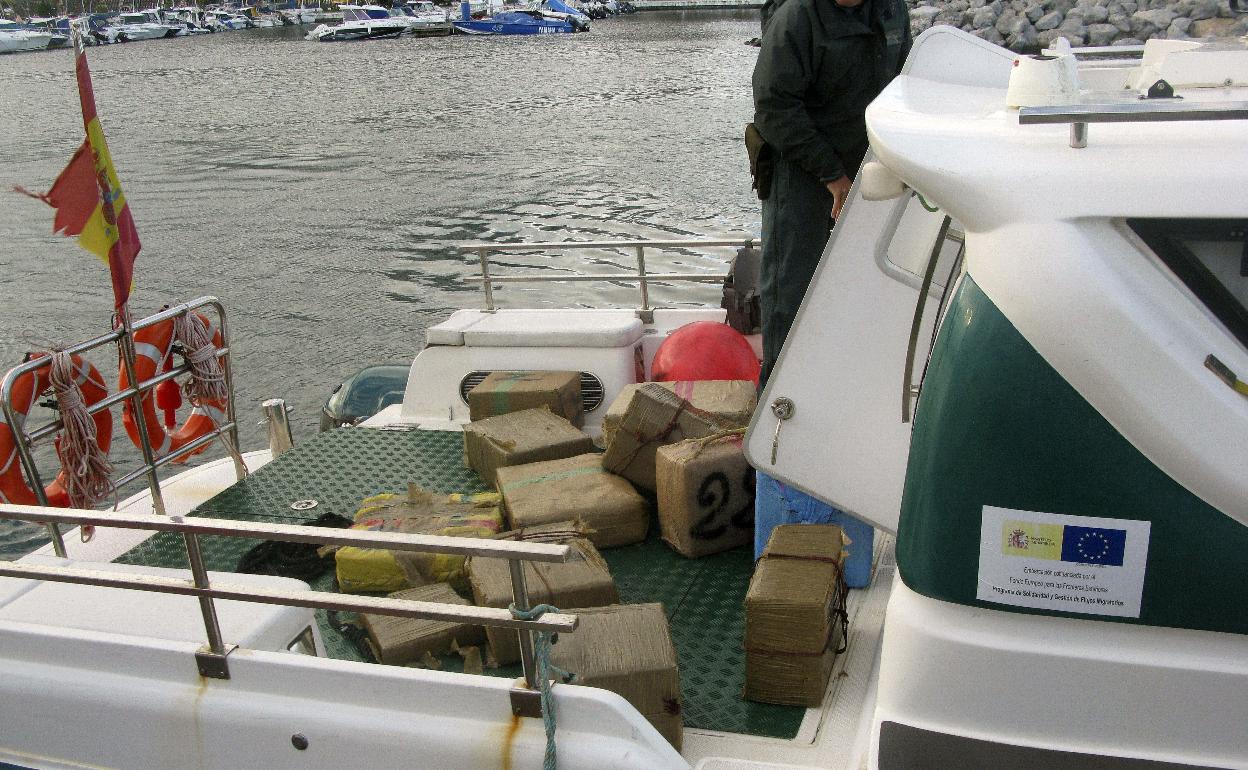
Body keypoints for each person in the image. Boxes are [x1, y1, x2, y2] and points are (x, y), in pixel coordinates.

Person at [751, 0, 911, 385]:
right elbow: (773, 107)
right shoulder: (797, 18)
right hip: (801, 174)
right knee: (791, 296)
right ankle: (778, 402)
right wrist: (832, 175)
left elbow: (907, 84)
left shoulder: (891, 10)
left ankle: (847, 390)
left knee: (868, 285)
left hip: (871, 170)